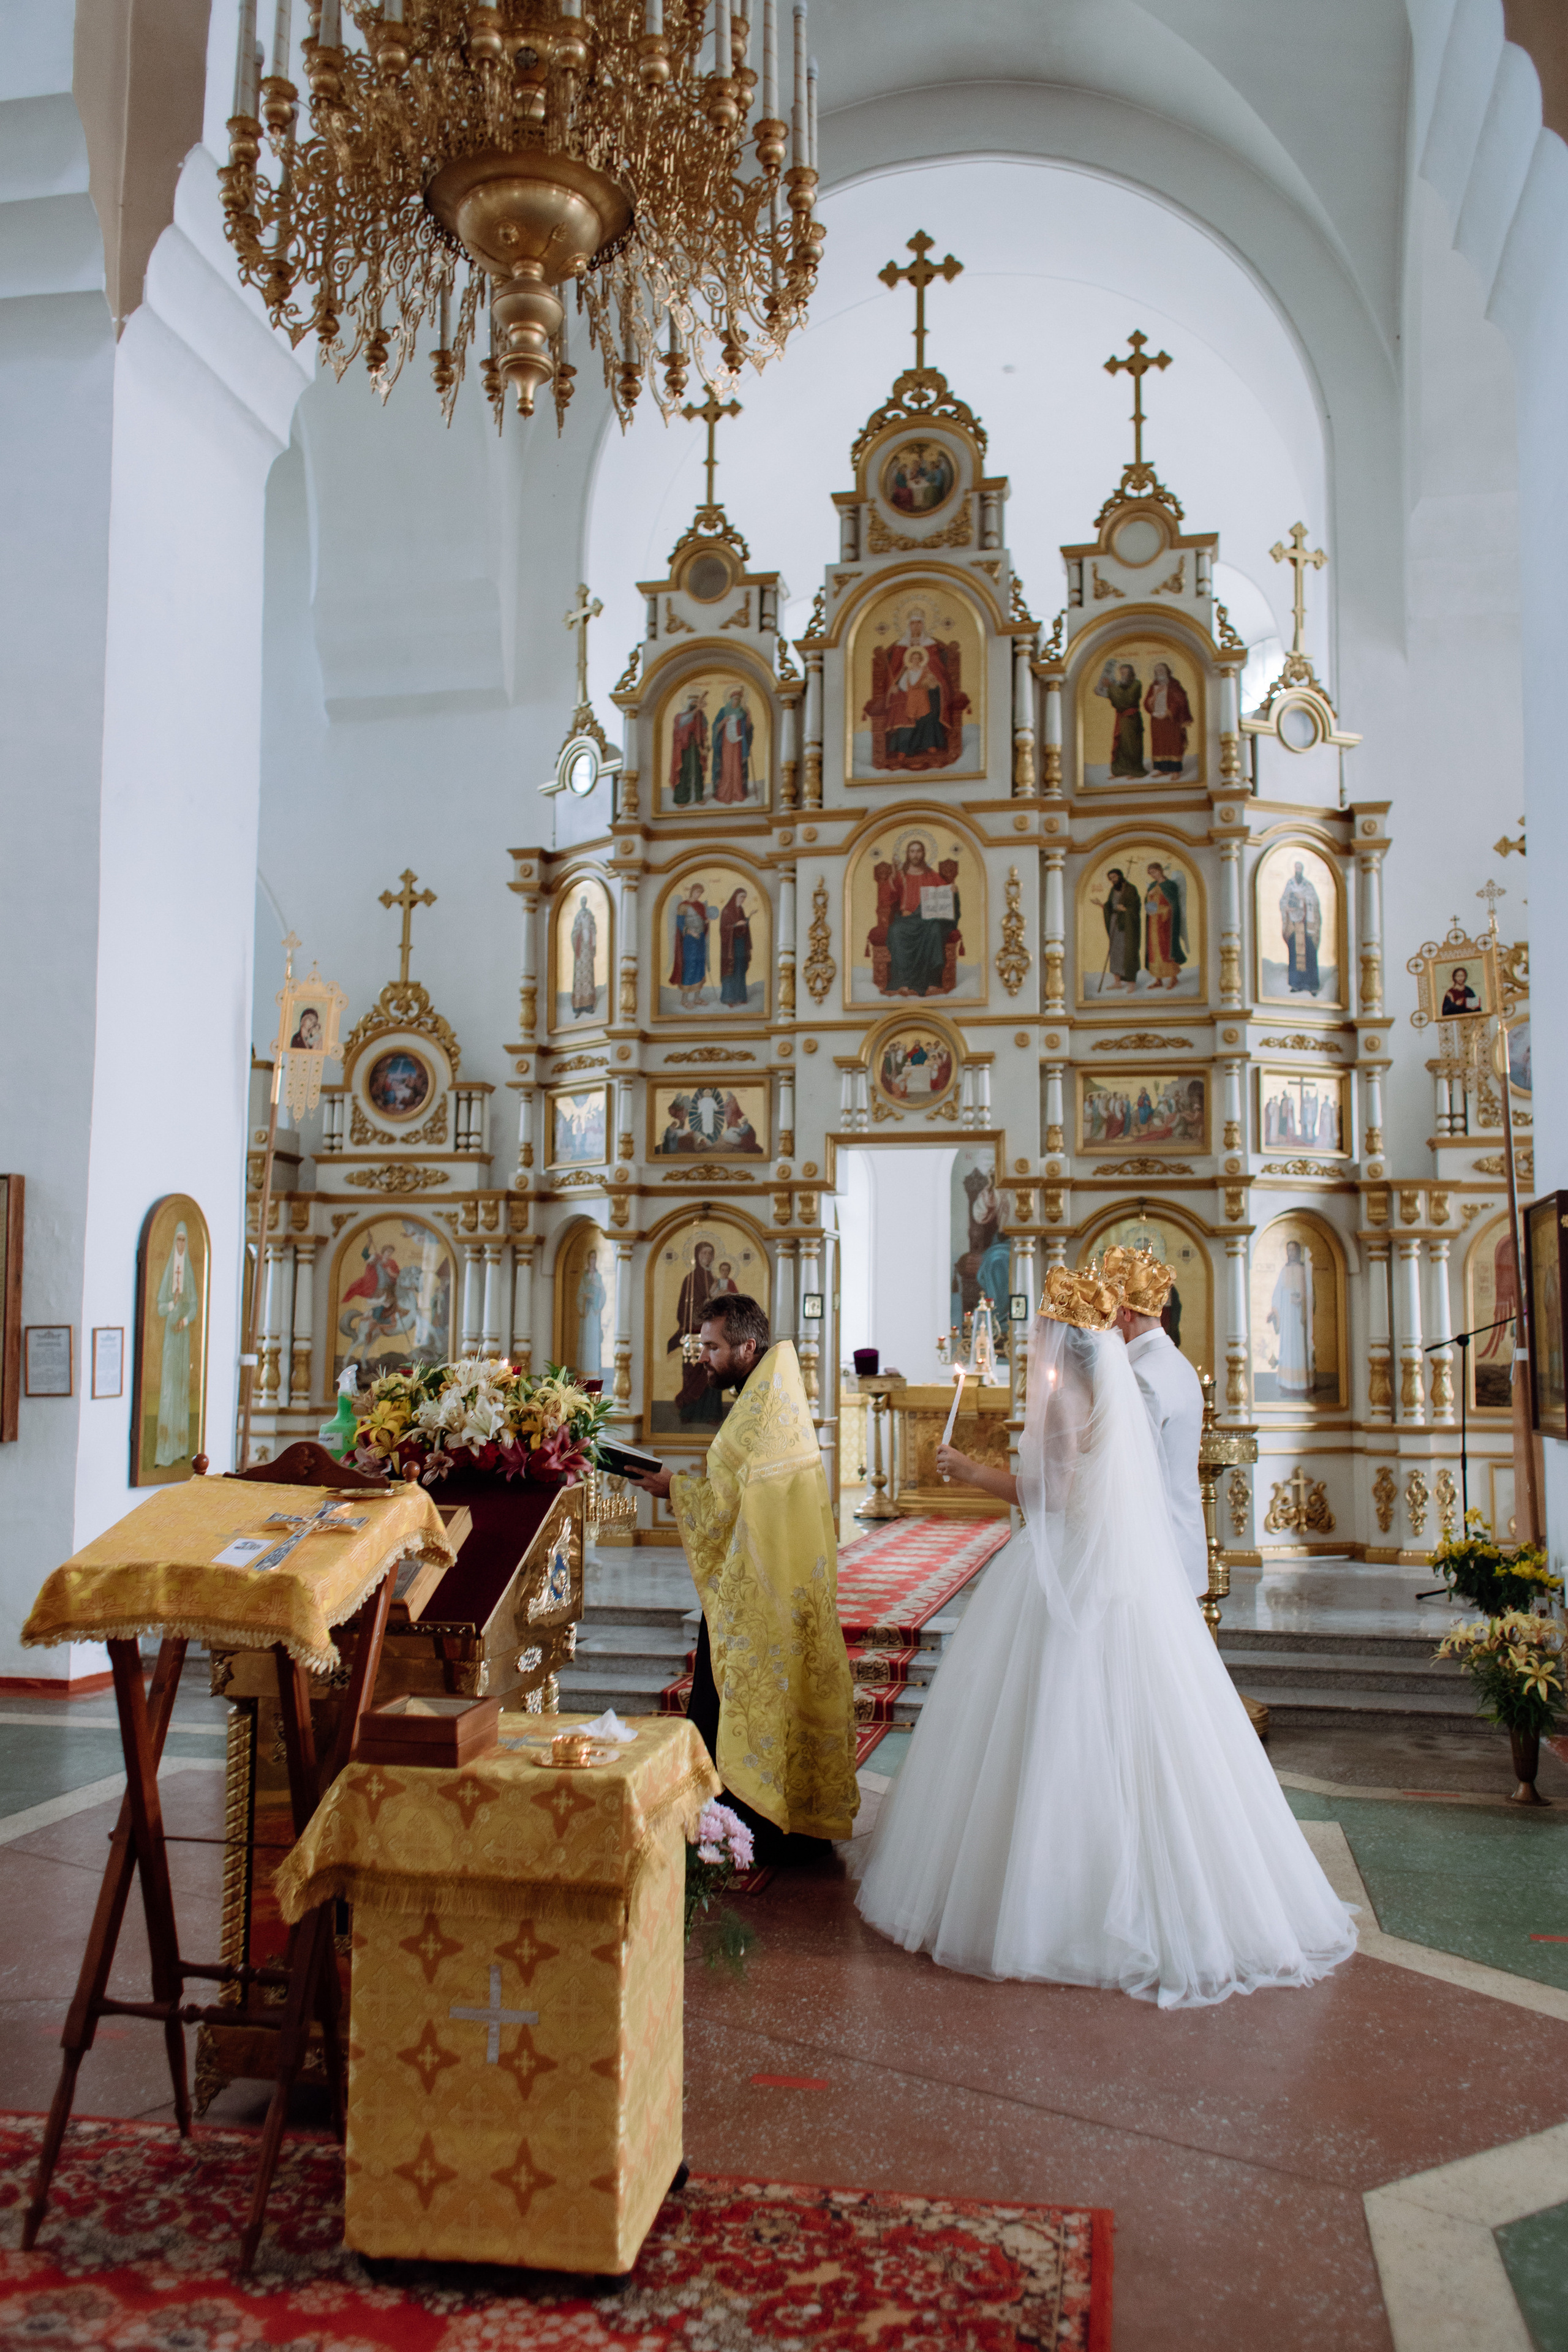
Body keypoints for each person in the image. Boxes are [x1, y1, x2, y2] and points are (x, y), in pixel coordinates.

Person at [853, 1263, 1357, 2005]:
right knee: (1150, 1727)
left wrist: (967, 1471)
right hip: (1135, 1567)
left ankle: (1048, 1905)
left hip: (1076, 1565)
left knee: (1058, 1720)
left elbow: (1050, 1495)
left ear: (1063, 1344)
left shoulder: (1082, 1395)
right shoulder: (1141, 1376)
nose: (1034, 1353)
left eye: (1040, 1341)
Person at [634, 1295, 859, 1864]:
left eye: (711, 1347)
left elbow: (728, 1503)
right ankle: (761, 1825)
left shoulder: (761, 1407)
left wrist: (672, 1489)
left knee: (730, 1695)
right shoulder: (771, 1394)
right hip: (774, 1583)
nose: (702, 1358)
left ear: (746, 1347)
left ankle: (737, 1828)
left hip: (759, 1591)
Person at [1104, 1244, 1207, 1596]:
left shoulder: (1142, 1375)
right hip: (1181, 1537)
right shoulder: (1179, 1364)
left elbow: (1128, 1471)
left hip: (1153, 1549)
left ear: (1126, 1312)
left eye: (1111, 1311)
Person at [153, 1221, 200, 1467]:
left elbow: (194, 1305)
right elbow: (160, 1307)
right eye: (178, 1240)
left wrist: (185, 1319)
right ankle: (164, 1450)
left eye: (184, 1240)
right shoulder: (170, 1270)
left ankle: (181, 1447)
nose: (181, 1244)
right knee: (169, 1387)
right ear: (174, 1243)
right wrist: (172, 1305)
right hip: (170, 1336)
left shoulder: (188, 1271)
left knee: (182, 1386)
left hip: (183, 1334)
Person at [1268, 1238, 1316, 1400]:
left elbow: (1310, 1294)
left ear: (1298, 1252)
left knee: (1300, 1349)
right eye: (1289, 1251)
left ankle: (1303, 1386)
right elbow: (1277, 1294)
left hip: (1300, 1318)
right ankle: (1287, 1386)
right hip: (1287, 1318)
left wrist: (1302, 1300)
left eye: (1294, 1250)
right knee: (1287, 1349)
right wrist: (1275, 1311)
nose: (1291, 1253)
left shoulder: (1305, 1270)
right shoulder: (1284, 1270)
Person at [1094, 659, 1146, 776]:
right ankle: (1121, 770)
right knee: (1121, 745)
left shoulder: (1136, 684)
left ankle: (1136, 771)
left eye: (1125, 673)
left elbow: (1127, 700)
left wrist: (1111, 687)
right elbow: (1116, 701)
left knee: (1132, 745)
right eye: (1121, 673)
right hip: (1122, 719)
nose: (1122, 675)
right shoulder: (1119, 685)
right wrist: (1101, 690)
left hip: (1131, 719)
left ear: (1131, 673)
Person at [1278, 861, 1322, 995]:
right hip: (1293, 924)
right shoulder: (1290, 884)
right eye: (1296, 868)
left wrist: (1303, 898)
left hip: (1306, 925)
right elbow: (1283, 900)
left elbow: (1314, 902)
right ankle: (1296, 984)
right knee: (1294, 953)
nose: (1298, 871)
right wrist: (1287, 907)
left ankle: (1312, 985)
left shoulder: (1308, 886)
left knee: (1309, 953)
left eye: (1300, 869)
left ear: (1302, 870)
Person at [1144, 661, 1193, 774]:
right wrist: (1151, 701)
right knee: (1159, 744)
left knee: (1174, 743)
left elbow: (1181, 700)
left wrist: (1170, 711)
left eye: (1161, 670)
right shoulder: (1153, 686)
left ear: (1167, 671)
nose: (1159, 673)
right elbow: (1147, 703)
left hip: (1172, 720)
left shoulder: (1174, 685)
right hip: (1157, 721)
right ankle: (1161, 769)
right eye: (1157, 671)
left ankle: (1175, 770)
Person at [1100, 867, 1141, 992]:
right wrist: (1103, 906)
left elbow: (1136, 907)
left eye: (1114, 877)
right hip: (1115, 924)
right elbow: (1110, 906)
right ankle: (1117, 982)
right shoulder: (1113, 890)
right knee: (1115, 952)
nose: (1113, 880)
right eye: (1110, 878)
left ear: (1120, 876)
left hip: (1127, 926)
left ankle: (1131, 984)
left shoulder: (1130, 889)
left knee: (1128, 952)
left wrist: (1126, 910)